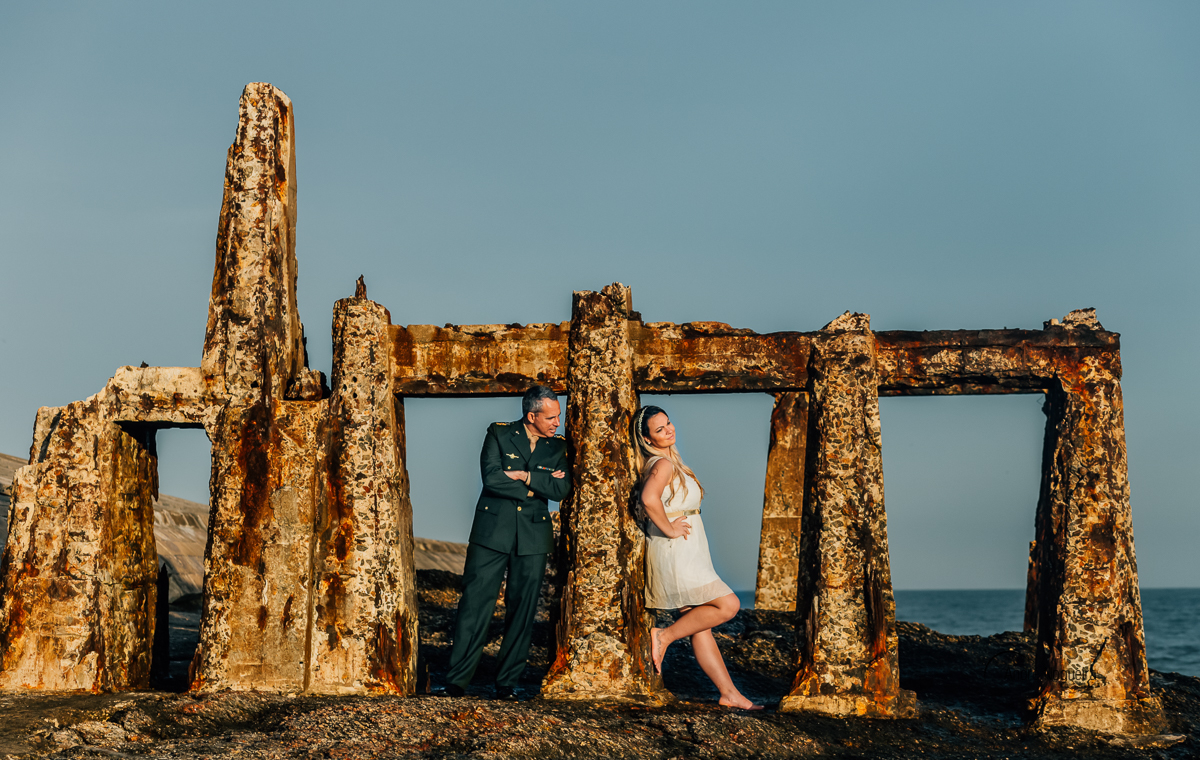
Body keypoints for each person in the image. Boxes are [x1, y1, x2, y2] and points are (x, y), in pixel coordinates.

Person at [443, 385, 570, 699]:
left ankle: (507, 684)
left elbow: (561, 490)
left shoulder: (559, 448)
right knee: (474, 605)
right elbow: (492, 477)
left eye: (558, 417)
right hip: (491, 532)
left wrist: (525, 477)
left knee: (523, 610)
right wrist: (538, 485)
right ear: (531, 415)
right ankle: (457, 681)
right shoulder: (499, 434)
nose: (557, 423)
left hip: (533, 537)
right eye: (551, 417)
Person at [634, 405, 762, 710]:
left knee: (700, 625)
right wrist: (669, 528)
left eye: (668, 423)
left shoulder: (670, 461)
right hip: (676, 551)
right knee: (728, 605)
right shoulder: (661, 464)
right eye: (660, 429)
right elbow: (648, 499)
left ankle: (729, 693)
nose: (669, 430)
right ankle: (663, 636)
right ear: (648, 438)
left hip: (690, 551)